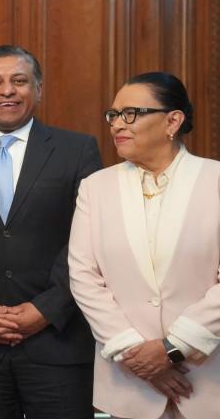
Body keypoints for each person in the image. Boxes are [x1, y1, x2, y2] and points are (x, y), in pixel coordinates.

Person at [0, 45, 102, 418]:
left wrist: (46, 309)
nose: (7, 91)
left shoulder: (78, 150)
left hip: (59, 343)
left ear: (38, 89)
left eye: (19, 81)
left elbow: (92, 243)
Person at [69, 72, 220, 419]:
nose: (117, 124)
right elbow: (83, 276)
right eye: (113, 115)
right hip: (127, 382)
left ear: (172, 120)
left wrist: (172, 349)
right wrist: (134, 352)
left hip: (205, 380)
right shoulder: (96, 187)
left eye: (131, 113)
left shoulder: (214, 181)